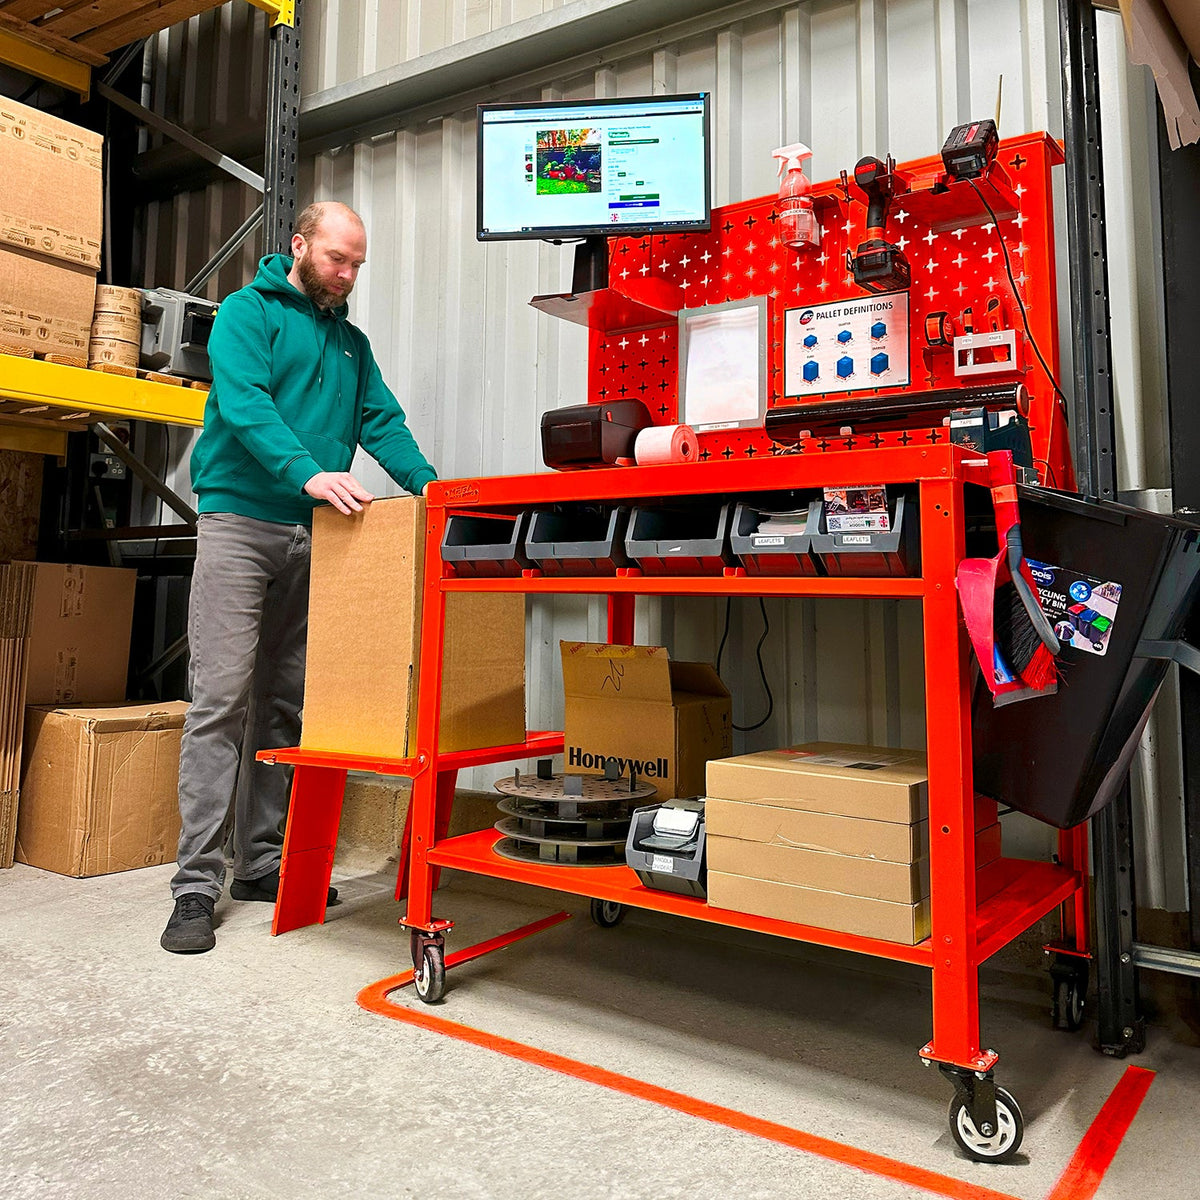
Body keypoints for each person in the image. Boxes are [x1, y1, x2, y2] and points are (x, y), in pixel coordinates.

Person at [161, 201, 437, 954]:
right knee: (219, 699)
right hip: (240, 524)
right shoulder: (246, 315)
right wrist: (309, 474)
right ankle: (194, 886)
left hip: (313, 535)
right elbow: (245, 407)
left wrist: (433, 491)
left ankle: (259, 862)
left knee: (283, 705)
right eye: (337, 260)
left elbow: (381, 423)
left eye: (357, 266)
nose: (347, 277)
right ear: (300, 245)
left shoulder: (352, 344)